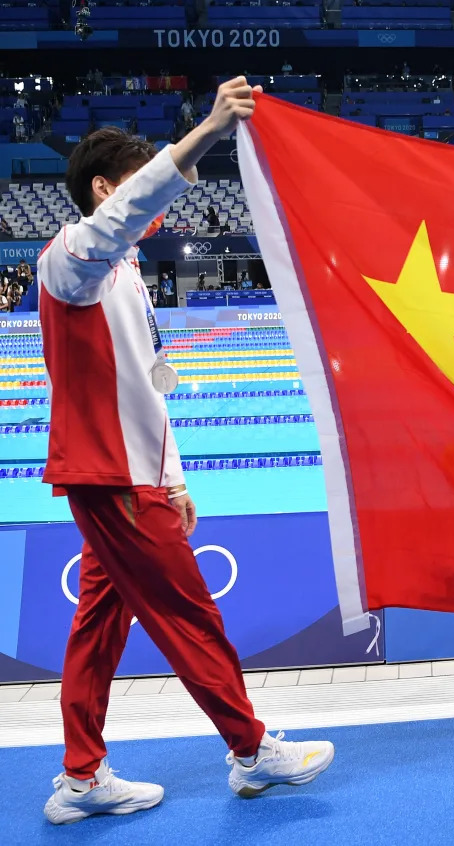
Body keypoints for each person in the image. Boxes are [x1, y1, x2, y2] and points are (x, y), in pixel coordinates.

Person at [37, 77, 335, 826]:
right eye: (137, 187)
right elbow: (117, 219)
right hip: (110, 479)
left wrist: (177, 479)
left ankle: (80, 777)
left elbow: (148, 389)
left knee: (97, 627)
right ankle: (251, 752)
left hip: (134, 477)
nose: (155, 204)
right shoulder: (68, 263)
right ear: (106, 189)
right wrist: (204, 132)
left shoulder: (127, 275)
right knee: (190, 615)